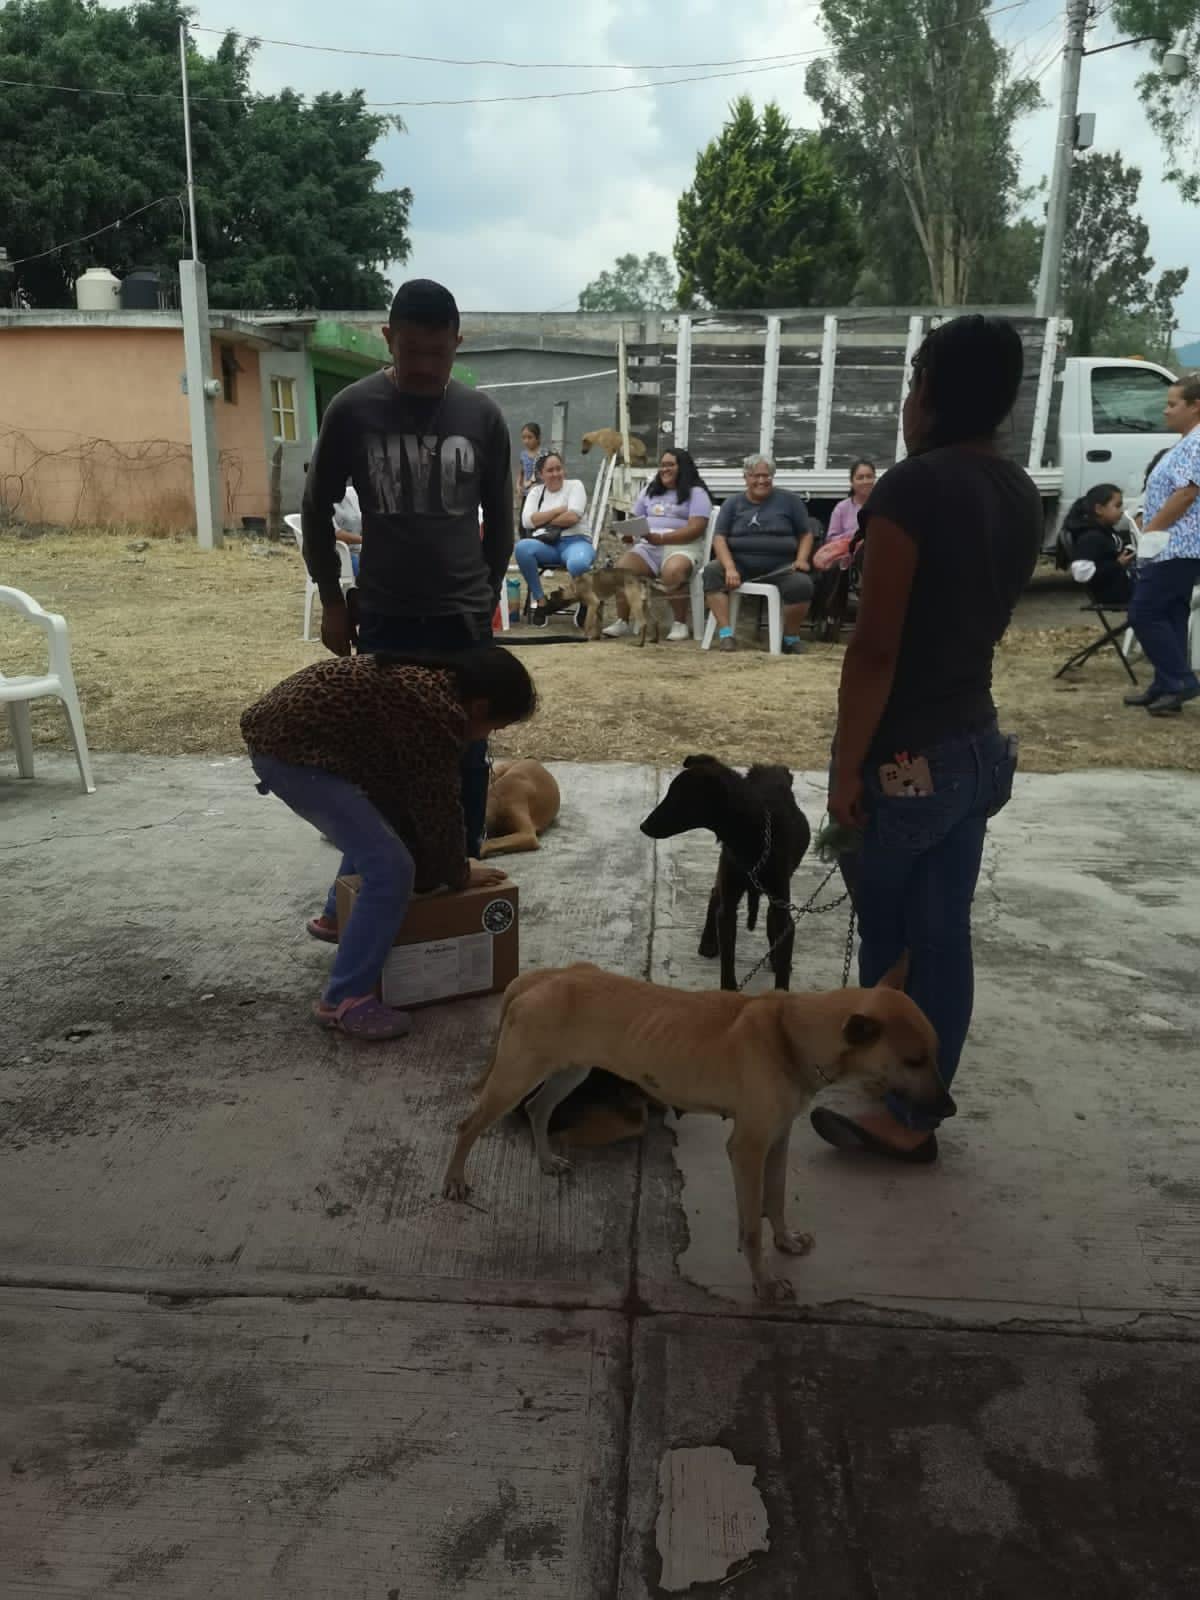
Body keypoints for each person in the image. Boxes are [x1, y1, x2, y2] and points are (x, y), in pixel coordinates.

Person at [817, 314, 1043, 1164]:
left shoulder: (911, 488)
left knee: (892, 944)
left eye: (916, 382)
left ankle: (888, 1106)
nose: (909, 400)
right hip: (975, 749)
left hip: (906, 756)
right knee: (945, 935)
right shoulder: (1016, 488)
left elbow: (878, 647)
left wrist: (847, 771)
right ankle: (917, 1113)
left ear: (939, 394)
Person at [301, 279, 513, 860]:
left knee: (466, 752)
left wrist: (486, 598)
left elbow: (501, 518)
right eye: (410, 351)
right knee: (381, 754)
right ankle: (379, 880)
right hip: (387, 616)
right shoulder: (353, 409)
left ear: (457, 343)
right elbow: (316, 508)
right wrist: (333, 600)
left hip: (462, 621)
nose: (423, 367)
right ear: (388, 338)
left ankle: (461, 872)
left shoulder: (481, 416)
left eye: (438, 354)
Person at [242, 647, 537, 1040]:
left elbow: (415, 801)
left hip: (300, 744)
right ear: (480, 707)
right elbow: (438, 808)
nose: (490, 736)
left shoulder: (435, 688)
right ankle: (344, 1000)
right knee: (391, 869)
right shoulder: (435, 713)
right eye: (496, 727)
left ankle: (338, 918)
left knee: (380, 832)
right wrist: (459, 874)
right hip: (292, 756)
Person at [1124, 373, 1200, 716]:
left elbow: (1186, 492)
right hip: (1171, 544)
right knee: (1170, 614)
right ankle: (1165, 685)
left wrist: (1152, 531)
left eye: (1173, 404)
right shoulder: (1187, 440)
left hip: (1175, 544)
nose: (1166, 411)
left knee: (1144, 611)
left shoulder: (1197, 442)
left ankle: (1181, 680)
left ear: (1195, 407)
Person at [701, 454, 814, 655]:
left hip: (781, 566)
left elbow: (806, 534)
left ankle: (790, 638)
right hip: (740, 564)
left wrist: (801, 559)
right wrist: (729, 567)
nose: (761, 480)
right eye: (755, 476)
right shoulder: (732, 503)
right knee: (711, 572)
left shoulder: (791, 501)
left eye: (766, 475)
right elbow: (719, 538)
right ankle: (726, 634)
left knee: (802, 584)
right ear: (745, 477)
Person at [603, 448, 713, 642]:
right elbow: (636, 518)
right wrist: (629, 533)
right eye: (662, 465)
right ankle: (623, 620)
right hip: (649, 547)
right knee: (622, 569)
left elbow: (696, 528)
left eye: (670, 465)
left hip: (683, 547)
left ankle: (679, 623)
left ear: (683, 468)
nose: (665, 469)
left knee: (673, 570)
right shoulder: (651, 490)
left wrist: (661, 539)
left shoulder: (696, 493)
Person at [513, 451, 594, 627]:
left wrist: (542, 520)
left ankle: (584, 602)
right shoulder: (536, 492)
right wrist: (559, 511)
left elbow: (573, 517)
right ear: (541, 474)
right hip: (548, 545)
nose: (556, 474)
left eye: (559, 469)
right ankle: (541, 602)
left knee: (578, 564)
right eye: (550, 470)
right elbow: (527, 521)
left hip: (577, 541)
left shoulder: (575, 486)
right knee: (522, 548)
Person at [1061, 483, 1135, 607]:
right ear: (1099, 509)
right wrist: (1118, 564)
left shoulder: (1105, 531)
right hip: (1113, 593)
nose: (1121, 511)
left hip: (1122, 586)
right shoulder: (1091, 537)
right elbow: (1081, 574)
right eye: (1117, 506)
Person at [817, 459, 876, 571]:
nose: (865, 481)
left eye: (869, 476)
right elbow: (830, 540)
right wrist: (854, 536)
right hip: (847, 560)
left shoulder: (882, 505)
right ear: (852, 482)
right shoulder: (842, 508)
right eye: (860, 477)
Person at [517, 423, 542, 498]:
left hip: (539, 493)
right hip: (526, 493)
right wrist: (518, 485)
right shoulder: (523, 455)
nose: (526, 441)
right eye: (524, 438)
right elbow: (522, 472)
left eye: (530, 437)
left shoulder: (543, 454)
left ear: (538, 438)